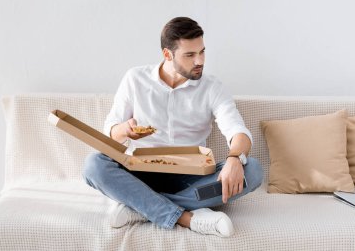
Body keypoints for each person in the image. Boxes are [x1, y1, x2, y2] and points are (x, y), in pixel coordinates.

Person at [83, 17, 263, 238]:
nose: (200, 61)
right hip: (140, 172)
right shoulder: (135, 79)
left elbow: (237, 130)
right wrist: (124, 130)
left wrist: (235, 158)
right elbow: (109, 132)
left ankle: (140, 207)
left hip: (190, 175)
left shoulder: (212, 87)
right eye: (190, 55)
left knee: (252, 170)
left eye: (202, 52)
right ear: (168, 54)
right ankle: (185, 217)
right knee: (93, 165)